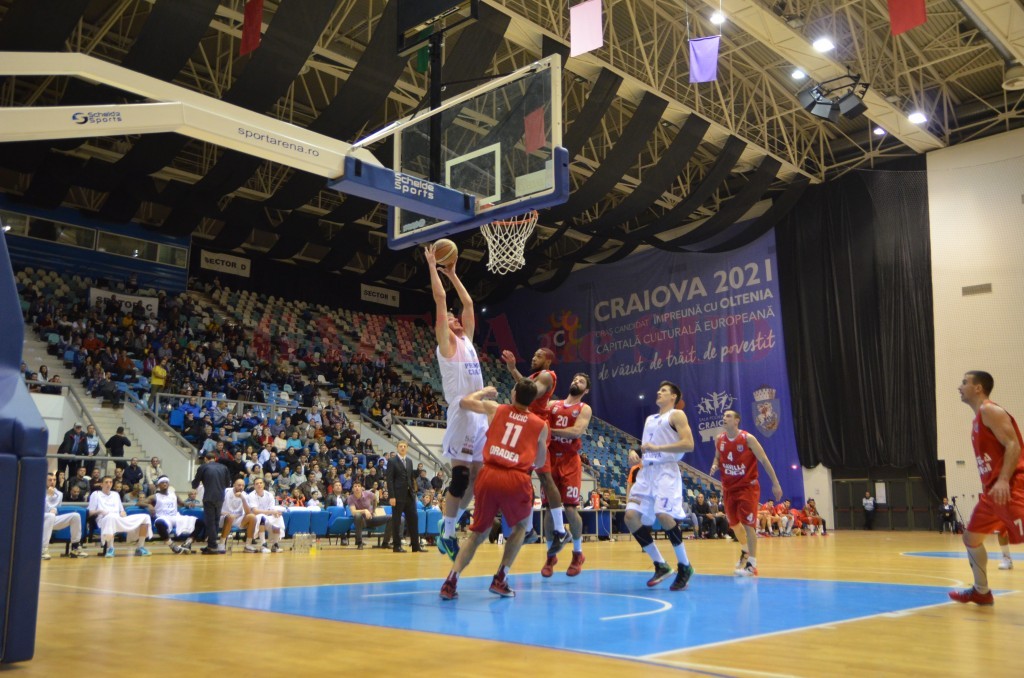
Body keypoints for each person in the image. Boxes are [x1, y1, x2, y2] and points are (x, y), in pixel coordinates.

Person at [440, 380, 548, 600]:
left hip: (489, 474)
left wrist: (483, 392)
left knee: (476, 534)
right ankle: (500, 578)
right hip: (517, 477)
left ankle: (451, 581)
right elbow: (539, 460)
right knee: (520, 528)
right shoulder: (541, 425)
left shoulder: (495, 408)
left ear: (514, 393)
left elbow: (464, 402)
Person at [426, 244, 487, 561]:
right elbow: (441, 301)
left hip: (480, 419)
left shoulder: (467, 340)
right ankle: (447, 533)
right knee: (461, 477)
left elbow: (468, 303)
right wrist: (434, 267)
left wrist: (453, 274)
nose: (455, 318)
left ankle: (450, 523)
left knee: (478, 479)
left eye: (456, 318)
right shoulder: (446, 346)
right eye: (450, 319)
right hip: (463, 414)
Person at [949, 371, 1024, 605]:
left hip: (1010, 488)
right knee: (971, 538)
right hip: (991, 494)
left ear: (978, 388)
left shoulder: (989, 410)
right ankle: (981, 591)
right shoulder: (977, 420)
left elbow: (1014, 445)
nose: (959, 387)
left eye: (964, 382)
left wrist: (1003, 480)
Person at [623, 381, 695, 591]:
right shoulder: (650, 419)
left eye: (664, 390)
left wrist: (658, 448)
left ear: (673, 396)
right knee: (630, 517)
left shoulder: (676, 415)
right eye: (659, 389)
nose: (658, 392)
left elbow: (688, 444)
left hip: (666, 471)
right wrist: (634, 452)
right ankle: (660, 564)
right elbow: (647, 445)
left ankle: (685, 566)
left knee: (663, 515)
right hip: (646, 471)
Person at [501, 347, 572, 558]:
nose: (534, 357)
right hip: (531, 427)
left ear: (548, 361)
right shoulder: (534, 376)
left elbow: (530, 393)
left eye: (539, 355)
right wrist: (513, 369)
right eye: (534, 354)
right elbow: (526, 386)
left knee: (539, 477)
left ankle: (556, 530)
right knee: (531, 477)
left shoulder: (547, 375)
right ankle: (546, 529)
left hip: (537, 428)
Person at [709, 410, 783, 577]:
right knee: (734, 524)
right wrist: (715, 465)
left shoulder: (748, 439)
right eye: (724, 416)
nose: (724, 418)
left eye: (728, 416)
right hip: (728, 488)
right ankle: (745, 551)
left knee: (749, 525)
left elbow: (764, 460)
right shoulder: (719, 439)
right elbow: (717, 457)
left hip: (747, 488)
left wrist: (776, 483)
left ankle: (752, 564)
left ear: (736, 421)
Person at [540, 372, 593, 577]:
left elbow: (576, 431)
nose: (575, 381)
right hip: (550, 459)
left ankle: (577, 553)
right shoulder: (553, 404)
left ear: (585, 390)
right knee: (547, 509)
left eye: (580, 381)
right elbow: (535, 406)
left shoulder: (584, 408)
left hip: (570, 461)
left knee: (570, 509)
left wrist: (549, 430)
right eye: (574, 379)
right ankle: (550, 555)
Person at [87, 476, 152, 558]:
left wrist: (123, 513)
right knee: (110, 517)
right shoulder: (96, 494)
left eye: (110, 482)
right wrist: (100, 511)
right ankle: (110, 548)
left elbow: (121, 510)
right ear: (101, 484)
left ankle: (140, 547)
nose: (109, 484)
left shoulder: (115, 494)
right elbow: (89, 512)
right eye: (106, 482)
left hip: (118, 519)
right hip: (104, 519)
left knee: (145, 517)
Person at [140, 476, 196, 554]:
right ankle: (171, 545)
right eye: (163, 483)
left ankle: (187, 543)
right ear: (158, 485)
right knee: (159, 523)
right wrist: (149, 505)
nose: (165, 484)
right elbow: (139, 502)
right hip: (163, 517)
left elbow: (182, 503)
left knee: (199, 522)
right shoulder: (155, 496)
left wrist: (188, 504)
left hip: (176, 517)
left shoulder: (173, 494)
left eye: (166, 482)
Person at [192, 450, 232, 554]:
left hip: (209, 497)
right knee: (216, 521)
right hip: (220, 497)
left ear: (206, 459)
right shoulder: (224, 467)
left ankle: (213, 546)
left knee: (210, 522)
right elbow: (228, 484)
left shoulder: (203, 467)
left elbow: (195, 484)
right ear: (215, 459)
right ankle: (211, 544)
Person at [386, 441, 424, 553]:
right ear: (397, 448)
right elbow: (389, 479)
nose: (402, 448)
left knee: (413, 520)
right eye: (400, 446)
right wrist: (392, 496)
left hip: (409, 496)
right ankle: (396, 546)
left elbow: (411, 478)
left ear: (407, 448)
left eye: (404, 446)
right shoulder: (392, 461)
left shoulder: (409, 461)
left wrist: (413, 491)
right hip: (397, 496)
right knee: (397, 521)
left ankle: (415, 546)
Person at [41, 471, 88, 560]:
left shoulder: (59, 494)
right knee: (50, 516)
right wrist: (47, 496)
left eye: (54, 480)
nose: (52, 482)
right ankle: (43, 549)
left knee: (76, 516)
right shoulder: (38, 492)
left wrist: (56, 509)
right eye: (50, 480)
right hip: (39, 519)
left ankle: (75, 547)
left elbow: (57, 508)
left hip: (52, 519)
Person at [247, 477, 285, 553]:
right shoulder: (251, 495)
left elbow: (271, 509)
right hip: (255, 517)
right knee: (262, 517)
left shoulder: (269, 495)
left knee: (279, 518)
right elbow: (255, 511)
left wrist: (276, 513)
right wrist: (271, 512)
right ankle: (263, 545)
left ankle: (275, 545)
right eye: (257, 484)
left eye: (261, 483)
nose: (259, 485)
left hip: (268, 516)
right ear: (254, 486)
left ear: (264, 484)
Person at [221, 478, 258, 551]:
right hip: (224, 517)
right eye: (239, 485)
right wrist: (224, 513)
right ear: (234, 485)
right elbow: (217, 507)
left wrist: (243, 498)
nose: (241, 487)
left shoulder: (245, 495)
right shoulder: (225, 491)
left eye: (243, 486)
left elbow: (247, 513)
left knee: (252, 517)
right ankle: (221, 544)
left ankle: (248, 545)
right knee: (230, 517)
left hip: (238, 519)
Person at [348, 482, 386, 549]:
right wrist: (365, 510)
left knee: (391, 518)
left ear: (361, 488)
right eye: (355, 486)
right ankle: (359, 542)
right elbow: (353, 512)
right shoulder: (350, 498)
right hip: (361, 521)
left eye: (359, 486)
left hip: (371, 519)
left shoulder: (368, 494)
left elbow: (375, 499)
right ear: (353, 489)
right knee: (357, 515)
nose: (357, 487)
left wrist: (374, 510)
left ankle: (385, 543)